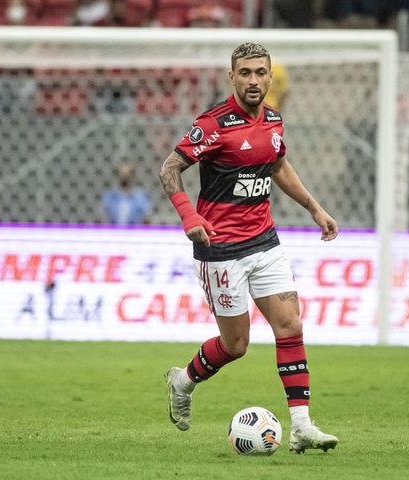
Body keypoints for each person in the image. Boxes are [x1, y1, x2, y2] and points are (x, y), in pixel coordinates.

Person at [158, 42, 339, 454]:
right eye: (245, 73)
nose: (253, 80)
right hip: (221, 249)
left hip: (264, 241)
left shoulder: (273, 120)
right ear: (232, 77)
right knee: (236, 345)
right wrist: (189, 215)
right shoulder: (213, 124)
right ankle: (182, 380)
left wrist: (314, 207)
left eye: (260, 72)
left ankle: (302, 426)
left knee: (290, 325)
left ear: (270, 77)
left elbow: (277, 166)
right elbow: (169, 168)